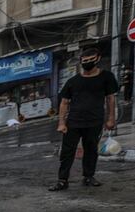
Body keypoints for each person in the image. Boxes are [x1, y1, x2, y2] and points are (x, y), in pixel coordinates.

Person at [50, 47, 118, 191]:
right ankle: (62, 180)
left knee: (91, 150)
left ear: (98, 59)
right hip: (74, 122)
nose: (87, 63)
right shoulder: (73, 81)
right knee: (67, 152)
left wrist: (111, 119)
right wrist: (62, 123)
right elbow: (64, 102)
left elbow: (110, 99)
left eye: (90, 60)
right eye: (84, 61)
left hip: (95, 121)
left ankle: (88, 176)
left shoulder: (106, 77)